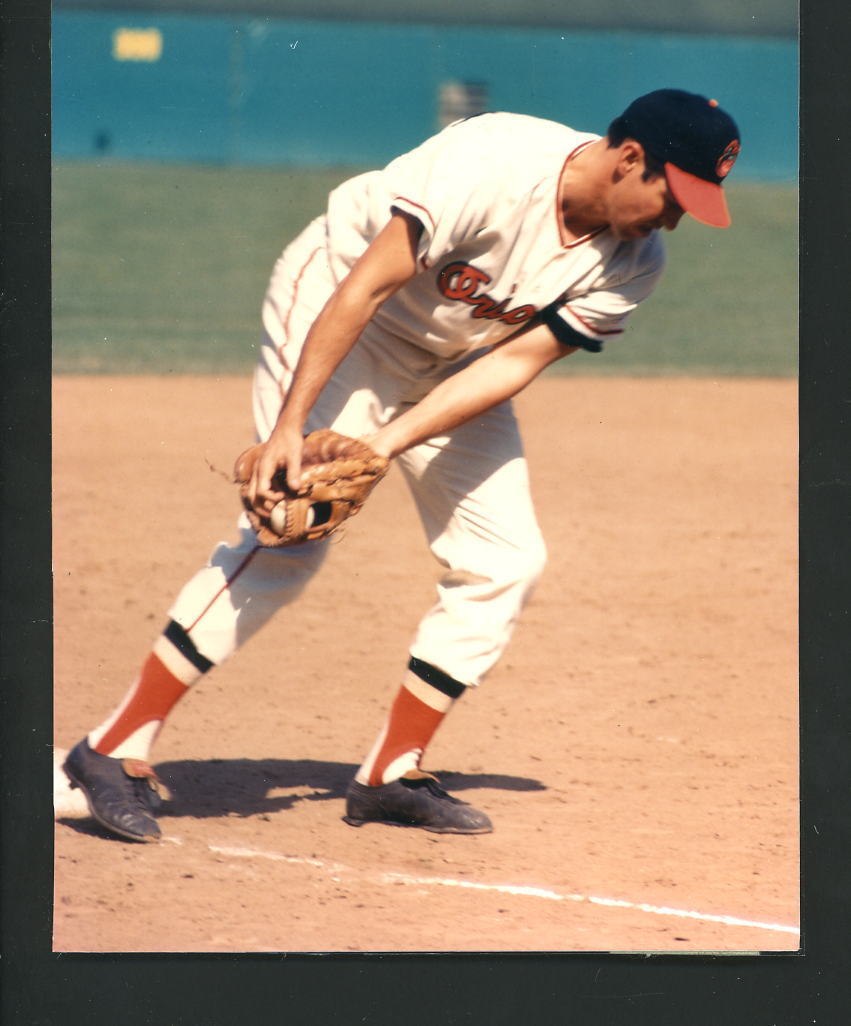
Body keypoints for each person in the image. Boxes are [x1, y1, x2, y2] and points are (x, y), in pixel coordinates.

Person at [63, 89, 741, 842]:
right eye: (671, 194)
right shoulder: (496, 161)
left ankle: (391, 771)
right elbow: (367, 284)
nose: (674, 218)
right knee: (295, 526)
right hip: (342, 304)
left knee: (504, 561)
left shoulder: (635, 262)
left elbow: (513, 360)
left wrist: (385, 442)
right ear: (629, 157)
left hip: (447, 359)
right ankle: (111, 749)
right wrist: (291, 426)